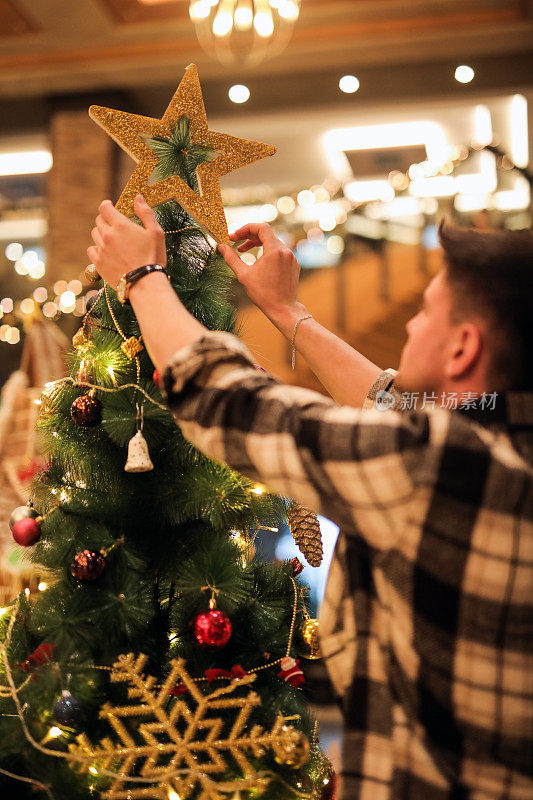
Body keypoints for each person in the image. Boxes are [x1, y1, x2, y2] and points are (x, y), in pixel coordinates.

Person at [88, 195, 533, 800]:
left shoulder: (447, 467)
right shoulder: (501, 433)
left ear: (463, 349)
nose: (410, 324)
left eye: (426, 312)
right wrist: (286, 310)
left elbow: (227, 401)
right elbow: (393, 402)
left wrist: (143, 279)